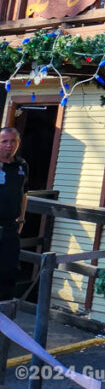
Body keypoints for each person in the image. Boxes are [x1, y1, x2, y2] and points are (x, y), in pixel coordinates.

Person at [0, 128, 27, 300]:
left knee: (9, 270)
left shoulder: (21, 165)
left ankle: (5, 317)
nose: (9, 145)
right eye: (4, 141)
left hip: (10, 226)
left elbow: (24, 193)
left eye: (13, 141)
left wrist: (21, 220)